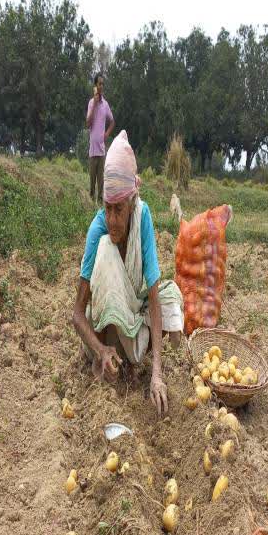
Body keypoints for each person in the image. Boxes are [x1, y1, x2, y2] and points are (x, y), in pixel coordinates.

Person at [72, 132, 185, 415]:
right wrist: (100, 349)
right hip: (105, 332)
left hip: (133, 311)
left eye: (118, 210)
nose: (112, 219)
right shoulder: (99, 229)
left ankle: (136, 362)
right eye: (107, 209)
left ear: (132, 203)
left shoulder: (142, 217)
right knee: (106, 248)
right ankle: (113, 357)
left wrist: (157, 373)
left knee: (171, 297)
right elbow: (76, 314)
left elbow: (154, 294)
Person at [85, 73, 115, 203]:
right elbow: (88, 123)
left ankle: (100, 204)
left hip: (102, 150)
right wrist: (95, 105)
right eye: (99, 84)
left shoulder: (106, 105)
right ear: (95, 86)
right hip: (92, 150)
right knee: (92, 182)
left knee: (101, 181)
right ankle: (90, 203)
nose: (101, 86)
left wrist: (107, 133)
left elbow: (112, 121)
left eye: (103, 84)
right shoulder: (91, 103)